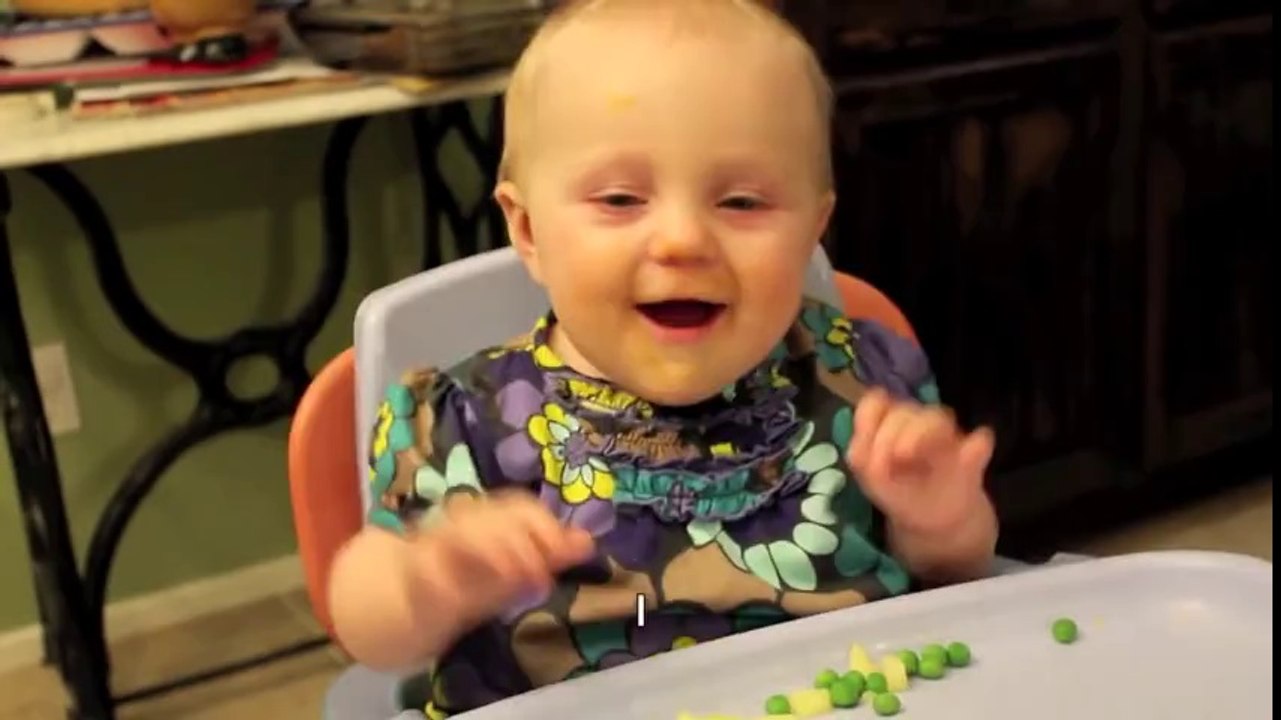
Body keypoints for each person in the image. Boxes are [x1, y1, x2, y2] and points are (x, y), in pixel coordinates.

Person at [328, 1, 999, 716]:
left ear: (813, 227)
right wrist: (426, 581)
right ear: (527, 229)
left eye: (741, 202)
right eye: (620, 198)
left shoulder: (862, 384)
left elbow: (955, 574)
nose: (682, 240)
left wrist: (939, 519)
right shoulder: (464, 422)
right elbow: (370, 633)